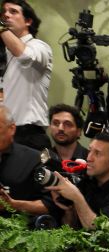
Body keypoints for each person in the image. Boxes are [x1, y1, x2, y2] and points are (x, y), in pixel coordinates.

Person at [46, 131, 109, 229]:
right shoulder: (88, 181)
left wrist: (77, 197)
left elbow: (103, 235)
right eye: (90, 151)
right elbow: (71, 229)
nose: (89, 158)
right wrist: (69, 208)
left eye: (97, 153)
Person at [0, 1, 52, 152]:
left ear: (28, 21)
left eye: (13, 12)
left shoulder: (40, 46)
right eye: (4, 12)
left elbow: (25, 57)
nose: (6, 15)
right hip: (4, 134)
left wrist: (2, 28)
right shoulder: (5, 53)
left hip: (28, 135)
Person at [0, 103, 54, 219]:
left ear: (12, 129)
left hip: (22, 232)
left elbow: (49, 206)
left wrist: (13, 204)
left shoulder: (35, 160)